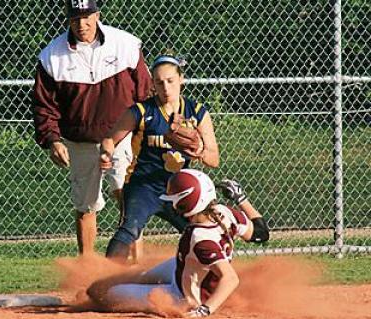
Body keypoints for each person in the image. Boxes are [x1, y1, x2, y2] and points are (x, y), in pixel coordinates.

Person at [32, 0, 152, 255]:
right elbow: (44, 105)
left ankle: (136, 266)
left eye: (87, 16)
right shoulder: (52, 55)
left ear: (97, 15)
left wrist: (146, 132)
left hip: (121, 138)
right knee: (86, 206)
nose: (82, 23)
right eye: (75, 18)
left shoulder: (126, 45)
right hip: (80, 142)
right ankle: (87, 268)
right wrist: (52, 139)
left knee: (128, 199)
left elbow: (144, 93)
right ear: (68, 19)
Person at [87, 169, 270, 317]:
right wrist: (241, 199)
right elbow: (261, 234)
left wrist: (204, 310)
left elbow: (230, 279)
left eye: (176, 200)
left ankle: (111, 289)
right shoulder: (224, 212)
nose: (173, 205)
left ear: (186, 203)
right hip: (185, 270)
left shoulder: (200, 238)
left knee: (105, 295)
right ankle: (119, 282)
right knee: (137, 277)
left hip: (185, 296)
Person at [100, 54, 219, 261]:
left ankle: (210, 281)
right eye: (159, 82)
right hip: (143, 185)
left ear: (181, 79)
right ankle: (103, 281)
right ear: (153, 84)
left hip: (180, 188)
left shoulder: (196, 112)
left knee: (204, 230)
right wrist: (106, 153)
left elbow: (214, 159)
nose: (165, 88)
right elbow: (110, 139)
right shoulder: (142, 110)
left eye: (171, 81)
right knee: (129, 229)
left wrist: (199, 151)